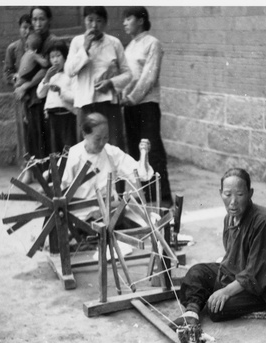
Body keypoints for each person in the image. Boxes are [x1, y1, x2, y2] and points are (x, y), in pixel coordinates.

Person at [172, 168, 266, 327]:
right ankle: (192, 312)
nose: (233, 202)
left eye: (239, 195)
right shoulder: (229, 218)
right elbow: (232, 258)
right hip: (240, 275)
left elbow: (257, 273)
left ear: (250, 193)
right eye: (227, 195)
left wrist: (225, 291)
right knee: (196, 272)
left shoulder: (264, 222)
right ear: (221, 193)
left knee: (217, 310)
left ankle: (209, 301)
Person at [60, 112, 153, 226]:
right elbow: (61, 193)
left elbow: (141, 175)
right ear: (85, 134)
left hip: (109, 212)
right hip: (81, 216)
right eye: (97, 139)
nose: (102, 143)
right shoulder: (72, 157)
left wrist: (144, 154)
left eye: (106, 138)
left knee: (130, 216)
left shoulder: (111, 152)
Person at [121, 7, 172, 206]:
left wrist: (132, 97)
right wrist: (124, 97)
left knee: (152, 149)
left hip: (147, 105)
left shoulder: (152, 43)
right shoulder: (129, 46)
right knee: (136, 151)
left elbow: (149, 76)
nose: (125, 22)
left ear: (141, 20)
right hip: (130, 105)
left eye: (128, 18)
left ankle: (163, 196)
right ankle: (146, 194)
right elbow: (127, 75)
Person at [64, 6, 131, 151]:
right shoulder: (77, 42)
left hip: (109, 104)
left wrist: (111, 83)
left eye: (99, 21)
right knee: (86, 148)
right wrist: (84, 49)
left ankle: (113, 174)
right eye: (90, 20)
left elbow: (127, 74)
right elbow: (69, 71)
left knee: (113, 147)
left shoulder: (114, 43)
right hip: (85, 104)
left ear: (105, 23)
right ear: (84, 21)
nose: (94, 25)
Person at [14, 6, 63, 180]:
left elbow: (48, 70)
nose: (37, 23)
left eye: (41, 19)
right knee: (32, 135)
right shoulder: (29, 40)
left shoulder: (52, 41)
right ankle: (33, 172)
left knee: (47, 136)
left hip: (47, 95)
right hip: (31, 99)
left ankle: (50, 174)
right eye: (34, 19)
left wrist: (26, 86)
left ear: (49, 20)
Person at [36, 42, 77, 156]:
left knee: (69, 146)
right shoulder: (51, 77)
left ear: (65, 56)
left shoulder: (71, 75)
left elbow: (75, 96)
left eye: (58, 56)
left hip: (67, 115)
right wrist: (47, 77)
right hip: (52, 116)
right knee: (55, 147)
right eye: (52, 57)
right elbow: (40, 94)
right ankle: (58, 172)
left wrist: (60, 91)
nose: (55, 60)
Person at [3, 14, 32, 165]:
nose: (27, 32)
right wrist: (14, 77)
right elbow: (7, 73)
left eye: (30, 28)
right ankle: (26, 164)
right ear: (19, 29)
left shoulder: (37, 46)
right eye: (24, 28)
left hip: (35, 92)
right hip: (21, 94)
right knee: (23, 130)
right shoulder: (13, 49)